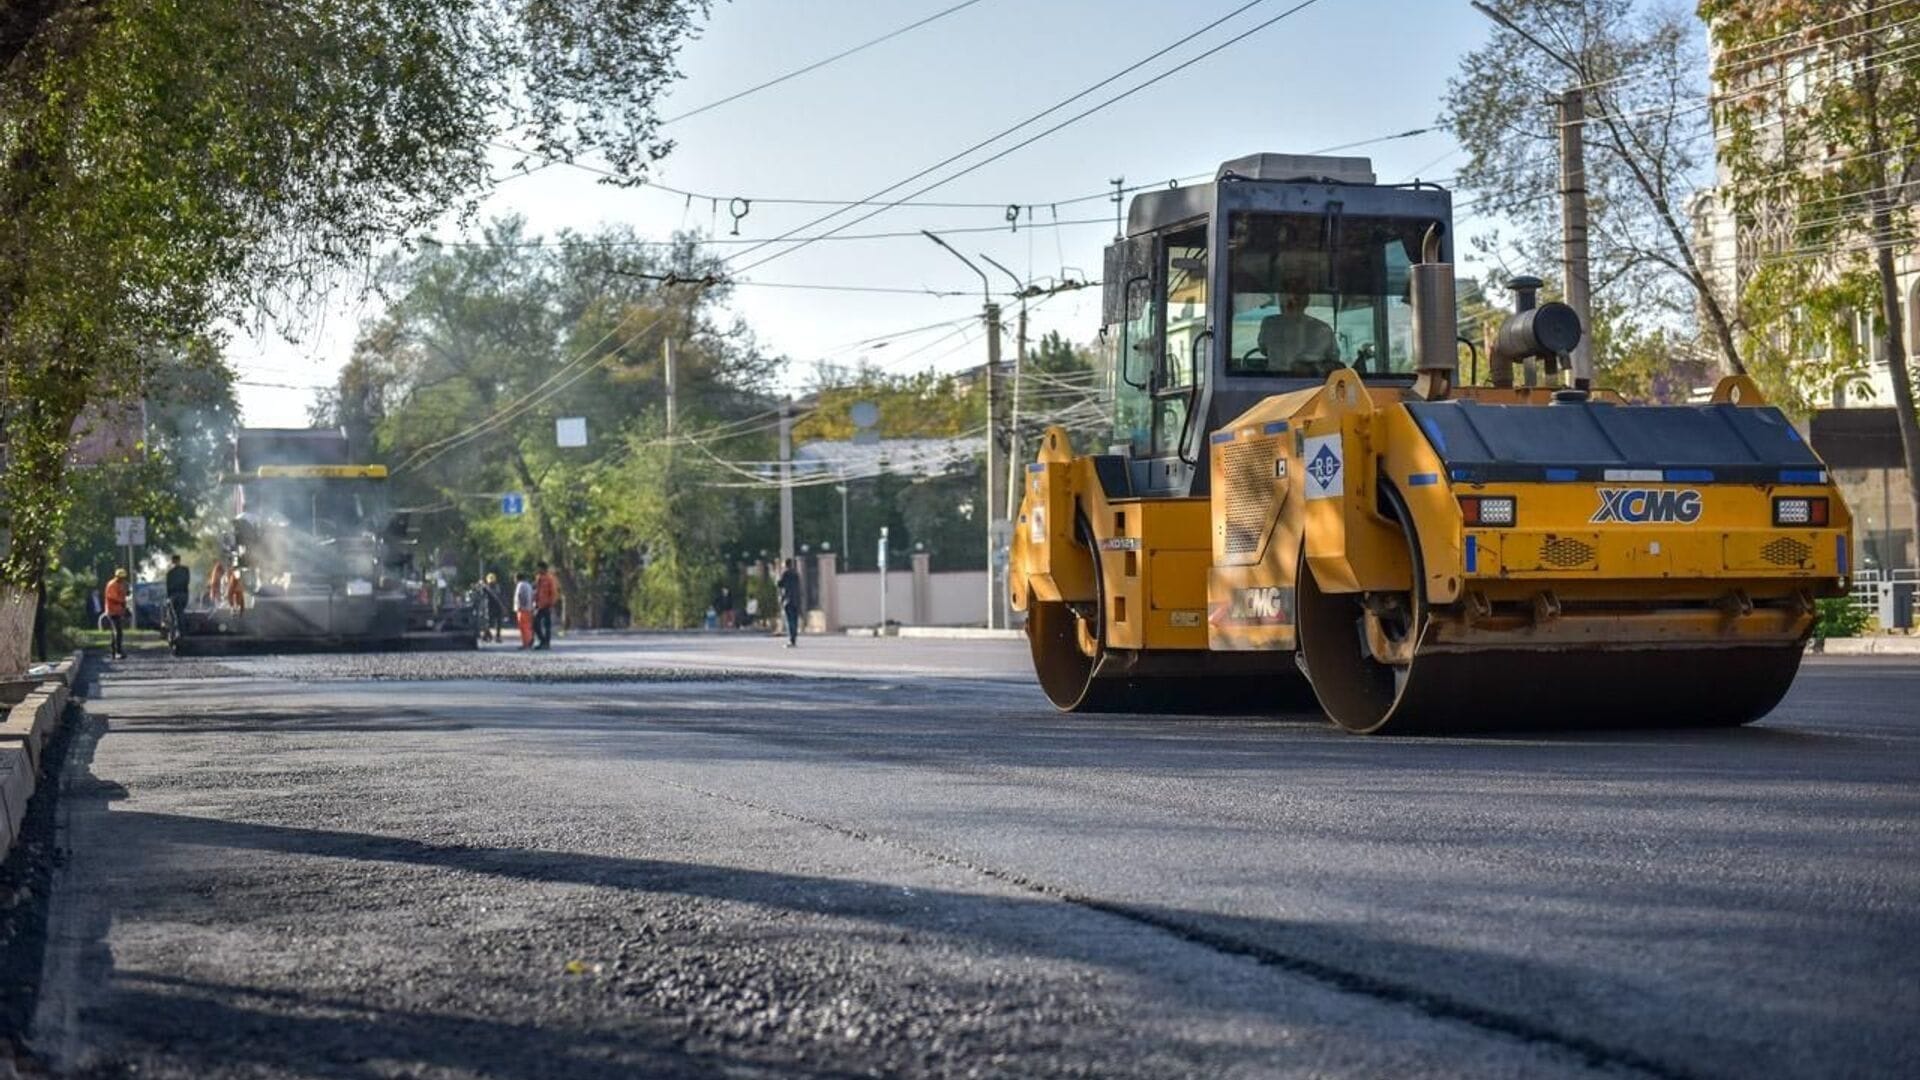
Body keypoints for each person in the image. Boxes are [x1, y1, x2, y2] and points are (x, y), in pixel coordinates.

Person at [1256, 283, 1340, 374]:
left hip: (1274, 379)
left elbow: (1263, 350)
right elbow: (1333, 359)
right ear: (1306, 302)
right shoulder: (1324, 329)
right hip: (1312, 380)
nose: (1291, 303)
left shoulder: (1269, 323)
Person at [103, 568, 131, 659]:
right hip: (112, 611)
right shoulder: (112, 585)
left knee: (118, 632)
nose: (122, 579)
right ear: (117, 577)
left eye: (123, 578)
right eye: (121, 578)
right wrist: (122, 601)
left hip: (118, 611)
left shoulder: (121, 584)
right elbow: (113, 598)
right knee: (117, 632)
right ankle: (116, 652)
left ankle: (117, 651)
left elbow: (124, 595)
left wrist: (126, 593)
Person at [532, 562, 559, 650]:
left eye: (539, 568)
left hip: (547, 604)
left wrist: (551, 603)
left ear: (543, 568)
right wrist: (535, 602)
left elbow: (553, 592)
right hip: (539, 605)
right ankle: (543, 641)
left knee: (547, 625)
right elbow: (537, 591)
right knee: (535, 624)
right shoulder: (538, 578)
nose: (537, 570)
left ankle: (546, 643)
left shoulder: (549, 578)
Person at [777, 559, 802, 648]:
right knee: (795, 620)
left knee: (790, 620)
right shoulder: (796, 574)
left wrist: (778, 574)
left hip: (788, 599)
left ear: (785, 565)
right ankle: (794, 638)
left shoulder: (785, 573)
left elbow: (779, 584)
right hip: (796, 599)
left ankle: (791, 640)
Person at [164, 554, 191, 631]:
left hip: (174, 595)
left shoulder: (170, 573)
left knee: (175, 614)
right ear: (179, 560)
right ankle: (182, 629)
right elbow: (187, 581)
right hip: (184, 594)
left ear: (172, 561)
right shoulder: (186, 570)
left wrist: (168, 597)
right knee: (181, 611)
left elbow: (168, 586)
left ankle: (177, 630)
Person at [481, 572, 507, 642]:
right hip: (493, 607)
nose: (491, 583)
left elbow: (502, 596)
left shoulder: (487, 587)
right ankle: (489, 635)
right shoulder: (489, 587)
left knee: (493, 622)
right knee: (492, 622)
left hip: (494, 607)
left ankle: (492, 636)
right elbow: (503, 596)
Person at [513, 571, 535, 649]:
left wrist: (521, 606)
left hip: (522, 609)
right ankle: (528, 641)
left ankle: (526, 643)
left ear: (517, 578)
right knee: (527, 626)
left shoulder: (520, 585)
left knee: (523, 627)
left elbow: (520, 596)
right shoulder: (528, 585)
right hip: (529, 608)